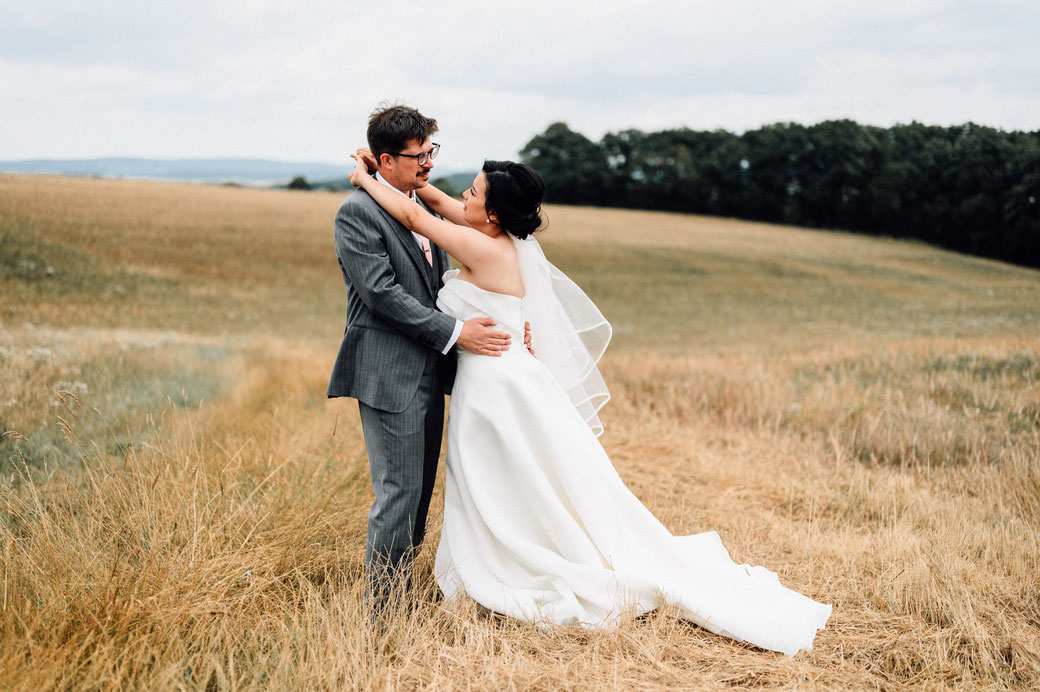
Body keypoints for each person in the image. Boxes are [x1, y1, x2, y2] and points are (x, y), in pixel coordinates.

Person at [347, 150, 832, 656]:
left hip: (496, 388)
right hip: (498, 380)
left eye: (473, 193)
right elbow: (437, 201)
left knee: (496, 478)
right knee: (505, 479)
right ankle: (492, 559)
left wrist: (365, 177)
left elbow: (413, 216)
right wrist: (403, 177)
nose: (461, 196)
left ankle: (505, 567)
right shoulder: (496, 236)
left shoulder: (481, 246)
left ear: (491, 215)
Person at [327, 104, 523, 609]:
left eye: (431, 151)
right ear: (386, 161)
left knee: (417, 496)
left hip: (431, 371)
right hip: (389, 372)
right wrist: (458, 332)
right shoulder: (357, 212)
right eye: (418, 156)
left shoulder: (424, 206)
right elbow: (381, 294)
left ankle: (400, 594)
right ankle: (382, 613)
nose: (428, 164)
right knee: (398, 494)